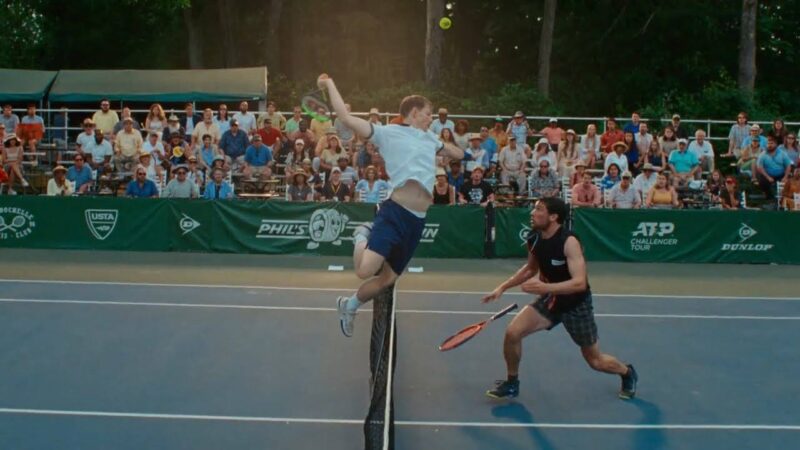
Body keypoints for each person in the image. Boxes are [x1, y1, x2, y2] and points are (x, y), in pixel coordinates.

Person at [318, 73, 463, 337]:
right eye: (428, 114)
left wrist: (440, 144)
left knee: (388, 279)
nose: (431, 118)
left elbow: (459, 154)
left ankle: (349, 305)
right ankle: (362, 235)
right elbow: (347, 119)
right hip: (395, 212)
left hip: (417, 220)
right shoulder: (387, 133)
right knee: (365, 271)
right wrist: (329, 84)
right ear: (415, 112)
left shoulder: (429, 138)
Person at [482, 197, 637, 400]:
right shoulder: (534, 237)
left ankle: (627, 372)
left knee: (595, 361)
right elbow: (531, 268)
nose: (532, 212)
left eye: (538, 209)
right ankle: (512, 383)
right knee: (512, 333)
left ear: (553, 216)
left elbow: (579, 283)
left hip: (576, 304)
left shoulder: (569, 241)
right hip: (550, 299)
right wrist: (502, 287)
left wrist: (544, 286)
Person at [755, 135, 793, 200]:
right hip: (767, 174)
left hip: (781, 174)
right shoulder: (763, 154)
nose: (769, 145)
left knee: (790, 180)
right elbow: (759, 167)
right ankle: (770, 198)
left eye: (771, 143)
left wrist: (785, 177)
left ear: (776, 145)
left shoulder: (782, 154)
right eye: (768, 143)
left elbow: (788, 166)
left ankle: (785, 198)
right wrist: (768, 177)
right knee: (761, 180)